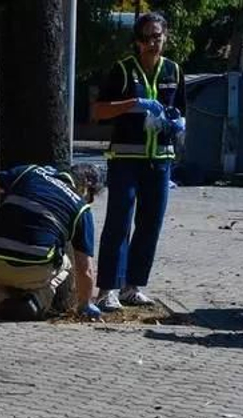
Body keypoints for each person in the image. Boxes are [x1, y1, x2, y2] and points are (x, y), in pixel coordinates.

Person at [92, 11, 185, 312]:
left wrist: (177, 123)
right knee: (119, 222)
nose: (152, 43)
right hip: (125, 157)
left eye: (157, 36)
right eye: (146, 38)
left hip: (160, 159)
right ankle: (108, 288)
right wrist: (134, 103)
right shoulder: (123, 70)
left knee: (150, 223)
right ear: (137, 41)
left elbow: (180, 109)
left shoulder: (174, 71)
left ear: (165, 37)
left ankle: (133, 286)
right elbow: (99, 111)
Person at [0, 164, 101, 321]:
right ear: (87, 186)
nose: (91, 201)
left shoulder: (31, 172)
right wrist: (85, 305)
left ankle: (1, 301)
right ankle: (35, 301)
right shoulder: (82, 208)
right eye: (92, 196)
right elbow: (85, 269)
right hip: (35, 271)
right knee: (66, 263)